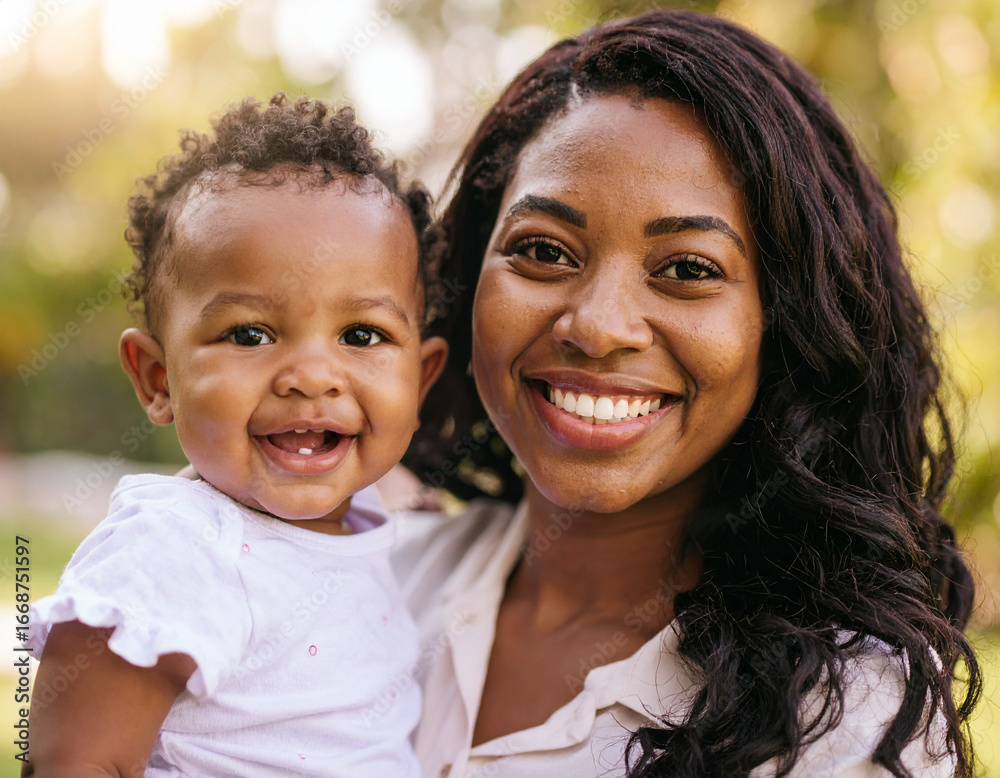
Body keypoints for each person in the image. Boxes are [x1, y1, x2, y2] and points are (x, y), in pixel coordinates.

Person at [390, 8, 981, 778]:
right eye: (544, 251)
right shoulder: (362, 582)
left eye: (689, 269)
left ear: (787, 323)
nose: (597, 327)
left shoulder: (845, 721)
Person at [24, 94, 448, 777]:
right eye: (249, 334)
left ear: (419, 384)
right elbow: (72, 763)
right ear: (159, 380)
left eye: (362, 334)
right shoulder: (174, 549)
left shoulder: (373, 528)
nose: (313, 376)